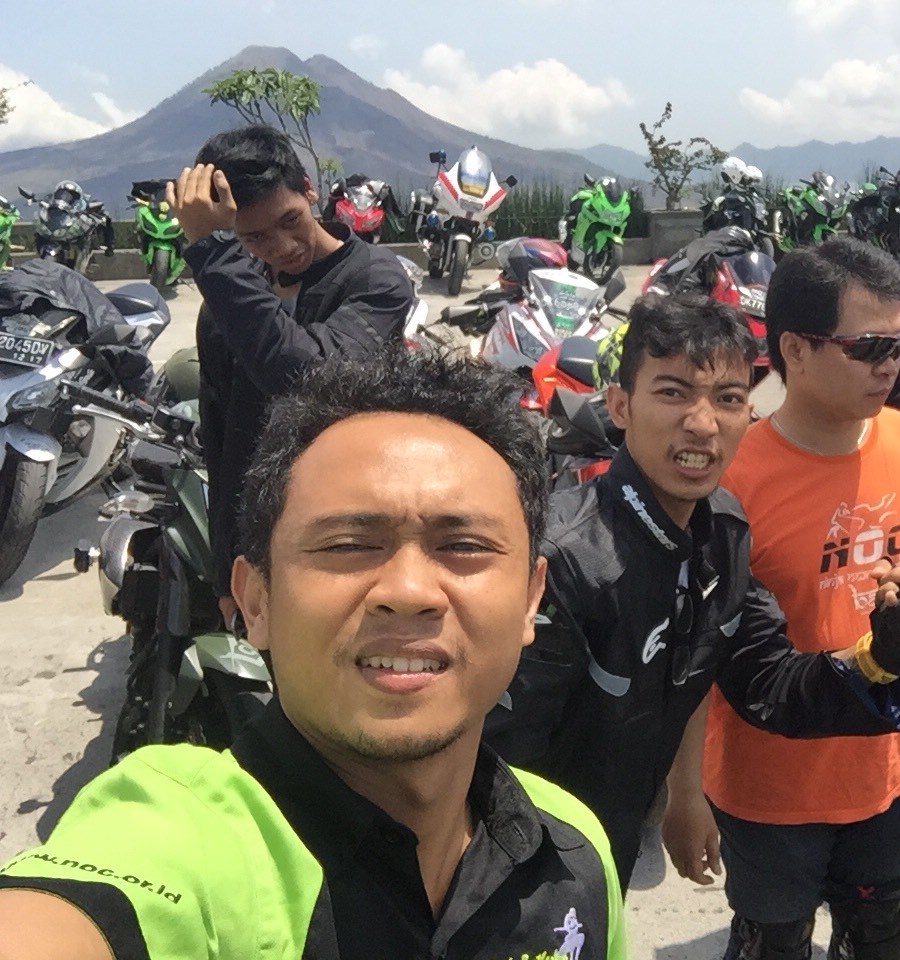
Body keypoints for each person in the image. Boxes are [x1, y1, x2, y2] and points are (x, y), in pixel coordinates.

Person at [0, 351, 626, 960]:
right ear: (256, 602)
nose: (409, 591)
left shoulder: (575, 848)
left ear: (530, 600)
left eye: (463, 546)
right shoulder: (180, 841)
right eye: (347, 545)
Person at [484, 293, 900, 891]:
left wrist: (885, 654)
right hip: (522, 869)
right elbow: (490, 767)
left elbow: (769, 685)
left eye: (727, 399)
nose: (702, 423)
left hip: (608, 855)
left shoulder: (722, 530)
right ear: (620, 406)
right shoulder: (560, 562)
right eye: (673, 393)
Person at [667, 239, 900, 960]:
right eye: (868, 347)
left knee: (881, 935)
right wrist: (684, 790)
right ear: (794, 350)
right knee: (772, 943)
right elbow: (698, 651)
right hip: (772, 786)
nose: (891, 365)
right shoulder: (733, 480)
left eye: (899, 343)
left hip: (893, 769)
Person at [169, 124, 415, 627]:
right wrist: (225, 571)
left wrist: (216, 254)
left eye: (290, 220)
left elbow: (310, 380)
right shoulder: (227, 305)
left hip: (356, 533)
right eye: (254, 237)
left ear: (309, 190)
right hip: (265, 536)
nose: (282, 247)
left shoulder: (375, 279)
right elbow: (222, 443)